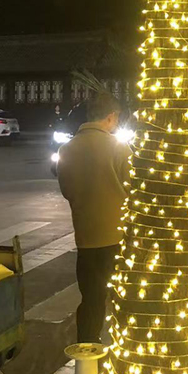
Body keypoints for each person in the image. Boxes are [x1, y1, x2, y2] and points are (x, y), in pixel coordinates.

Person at [56, 92, 130, 344]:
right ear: (111, 117)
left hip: (86, 236)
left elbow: (67, 190)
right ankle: (125, 349)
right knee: (123, 296)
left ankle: (87, 354)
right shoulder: (118, 147)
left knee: (91, 298)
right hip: (119, 235)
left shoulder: (67, 148)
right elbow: (132, 186)